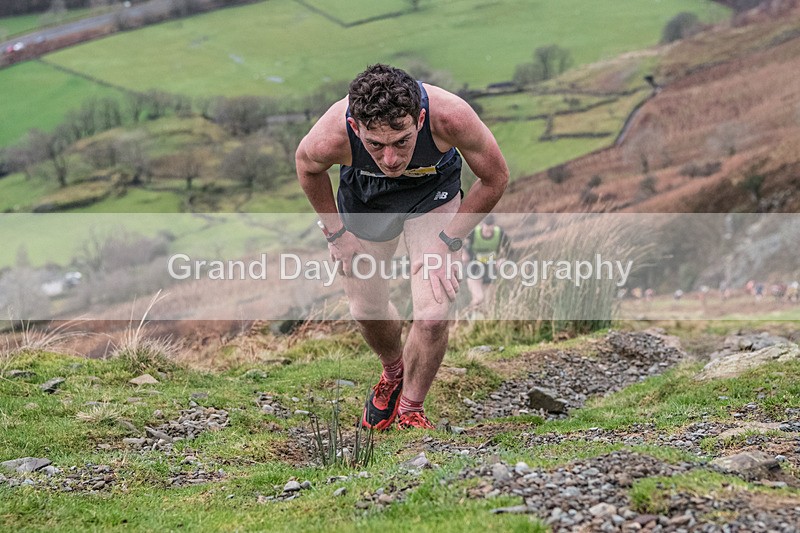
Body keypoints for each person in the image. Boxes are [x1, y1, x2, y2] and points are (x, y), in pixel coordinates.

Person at [295, 64, 508, 430]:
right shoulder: (332, 133)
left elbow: (496, 177)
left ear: (420, 119)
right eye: (375, 145)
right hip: (364, 198)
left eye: (402, 141)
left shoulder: (450, 115)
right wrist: (336, 234)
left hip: (432, 196)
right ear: (355, 128)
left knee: (432, 314)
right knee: (367, 309)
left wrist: (450, 240)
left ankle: (411, 408)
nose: (391, 159)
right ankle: (393, 371)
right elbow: (306, 165)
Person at [462, 214, 511, 310]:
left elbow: (510, 251)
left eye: (490, 229)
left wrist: (503, 260)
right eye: (486, 229)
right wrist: (463, 253)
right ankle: (467, 317)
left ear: (494, 226)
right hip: (474, 268)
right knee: (478, 299)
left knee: (489, 303)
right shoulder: (474, 233)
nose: (488, 232)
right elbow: (459, 240)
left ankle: (483, 323)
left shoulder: (500, 233)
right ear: (482, 225)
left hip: (490, 270)